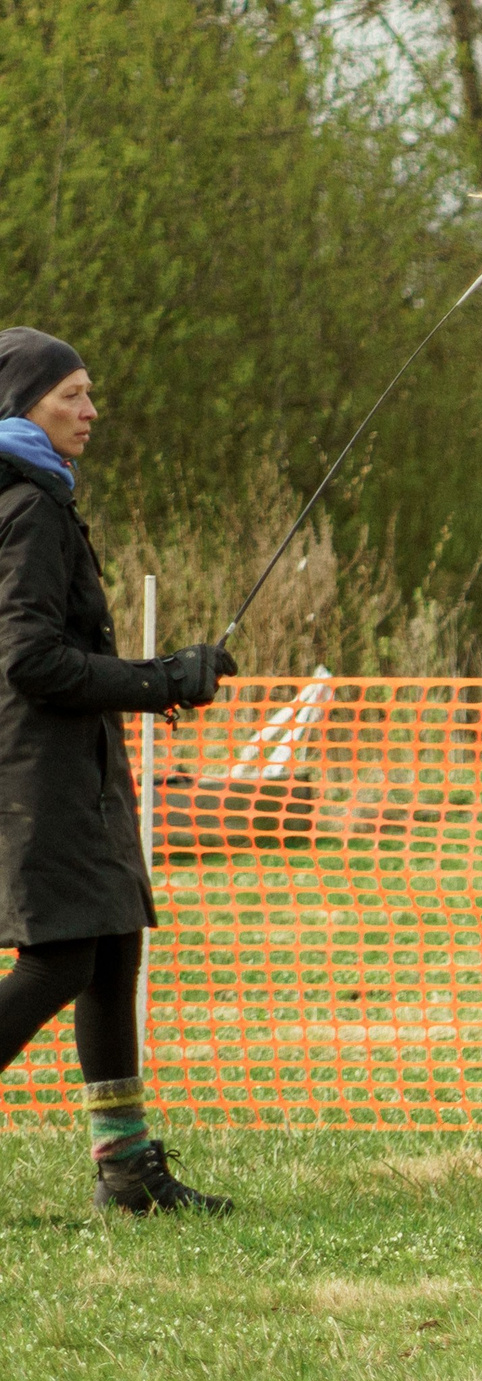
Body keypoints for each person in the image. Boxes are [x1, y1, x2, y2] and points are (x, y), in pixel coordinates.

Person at [0, 327, 237, 1213]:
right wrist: (156, 680)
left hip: (76, 770)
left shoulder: (40, 496)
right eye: (72, 395)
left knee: (110, 949)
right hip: (42, 776)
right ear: (23, 406)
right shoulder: (28, 508)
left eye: (90, 392)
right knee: (61, 959)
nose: (92, 410)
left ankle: (128, 1171)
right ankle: (127, 1171)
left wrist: (159, 680)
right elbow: (30, 660)